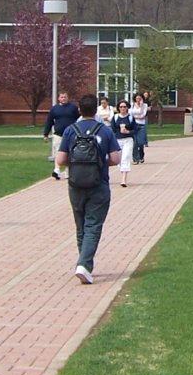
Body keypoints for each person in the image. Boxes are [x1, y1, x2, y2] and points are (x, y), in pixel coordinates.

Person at [55, 93, 119, 285]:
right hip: (99, 184)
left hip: (75, 184)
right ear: (96, 110)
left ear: (79, 110)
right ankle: (84, 264)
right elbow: (115, 159)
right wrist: (99, 162)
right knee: (93, 225)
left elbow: (61, 160)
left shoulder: (70, 130)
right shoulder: (105, 131)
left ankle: (84, 262)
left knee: (81, 224)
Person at [43, 91, 79, 180]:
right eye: (62, 97)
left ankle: (68, 172)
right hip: (58, 134)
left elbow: (78, 120)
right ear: (59, 98)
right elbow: (49, 121)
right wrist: (46, 134)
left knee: (70, 153)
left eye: (65, 97)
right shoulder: (54, 109)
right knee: (58, 152)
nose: (63, 99)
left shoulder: (73, 108)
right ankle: (57, 170)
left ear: (68, 98)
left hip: (71, 135)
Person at [111, 100, 136, 187]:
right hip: (118, 140)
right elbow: (113, 129)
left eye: (124, 107)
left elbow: (135, 130)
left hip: (128, 140)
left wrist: (128, 132)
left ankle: (123, 179)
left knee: (126, 157)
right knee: (120, 159)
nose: (123, 108)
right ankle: (122, 174)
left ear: (127, 108)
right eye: (121, 107)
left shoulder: (130, 118)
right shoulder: (115, 117)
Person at [129, 92, 149, 164]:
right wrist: (137, 116)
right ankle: (135, 159)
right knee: (135, 143)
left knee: (140, 142)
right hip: (134, 125)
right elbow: (130, 114)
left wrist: (140, 106)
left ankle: (141, 155)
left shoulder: (145, 105)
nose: (138, 100)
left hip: (141, 125)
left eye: (140, 98)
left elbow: (143, 115)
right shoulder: (132, 105)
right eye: (137, 98)